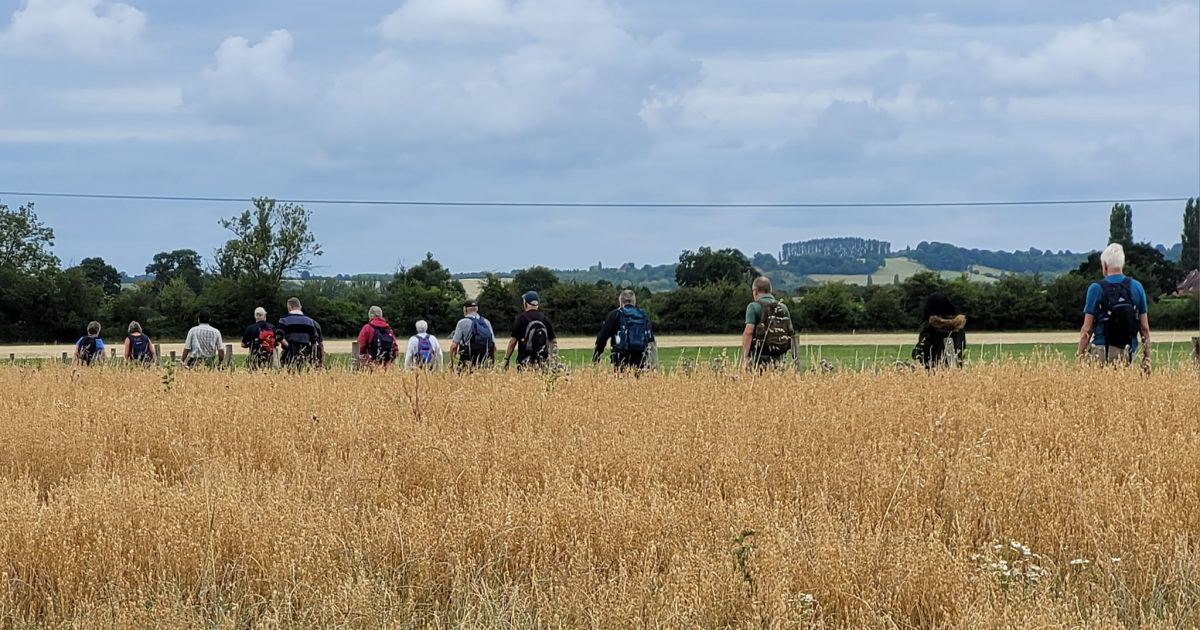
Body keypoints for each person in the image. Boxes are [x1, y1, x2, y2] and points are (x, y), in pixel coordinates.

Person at [1077, 243, 1152, 372]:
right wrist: (1147, 358)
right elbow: (1144, 328)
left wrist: (1080, 357)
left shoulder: (1096, 288)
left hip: (1101, 351)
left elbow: (1087, 329)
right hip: (1128, 352)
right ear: (1122, 264)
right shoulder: (1137, 287)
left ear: (1105, 265)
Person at [740, 276, 796, 370]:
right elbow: (791, 332)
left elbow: (749, 332)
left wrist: (745, 357)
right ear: (770, 291)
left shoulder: (753, 306)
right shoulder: (783, 307)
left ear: (755, 291)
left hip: (759, 356)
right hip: (779, 355)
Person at [593, 289, 655, 371]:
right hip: (640, 357)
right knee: (638, 377)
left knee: (621, 377)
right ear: (634, 301)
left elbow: (602, 337)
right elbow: (651, 339)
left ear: (621, 301)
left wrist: (596, 357)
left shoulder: (615, 314)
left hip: (620, 358)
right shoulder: (642, 315)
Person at [504, 291, 557, 371]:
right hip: (542, 363)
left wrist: (506, 359)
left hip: (524, 363)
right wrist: (553, 360)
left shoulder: (521, 319)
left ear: (526, 304)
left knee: (526, 379)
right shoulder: (545, 319)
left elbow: (513, 341)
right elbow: (553, 341)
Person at [911, 294, 966, 369]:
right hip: (956, 370)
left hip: (934, 370)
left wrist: (915, 352)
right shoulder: (959, 327)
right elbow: (962, 350)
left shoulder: (929, 327)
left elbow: (921, 353)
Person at [449, 300, 496, 371]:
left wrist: (451, 363)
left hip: (467, 361)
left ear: (465, 309)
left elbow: (454, 346)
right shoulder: (486, 322)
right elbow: (494, 346)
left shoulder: (462, 322)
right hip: (484, 362)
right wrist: (493, 363)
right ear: (477, 309)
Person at [278, 297, 324, 369]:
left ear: (289, 307)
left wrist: (289, 346)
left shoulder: (284, 320)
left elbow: (279, 336)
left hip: (288, 356)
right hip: (305, 356)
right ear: (300, 307)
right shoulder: (310, 321)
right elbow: (314, 341)